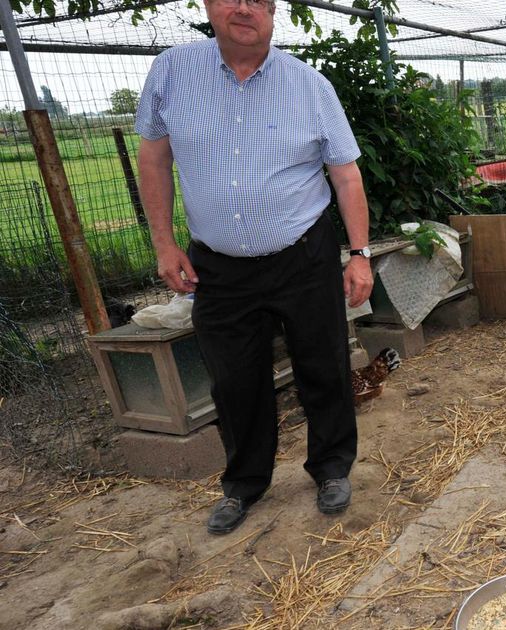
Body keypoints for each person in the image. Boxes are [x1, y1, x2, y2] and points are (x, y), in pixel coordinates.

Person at [135, 0, 374, 535]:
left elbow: (346, 176)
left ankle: (332, 467)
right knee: (234, 380)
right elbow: (154, 159)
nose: (243, 7)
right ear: (207, 7)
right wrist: (164, 244)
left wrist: (358, 255)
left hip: (303, 255)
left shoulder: (310, 86)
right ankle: (244, 484)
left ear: (272, 12)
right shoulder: (173, 71)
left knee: (324, 366)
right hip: (218, 267)